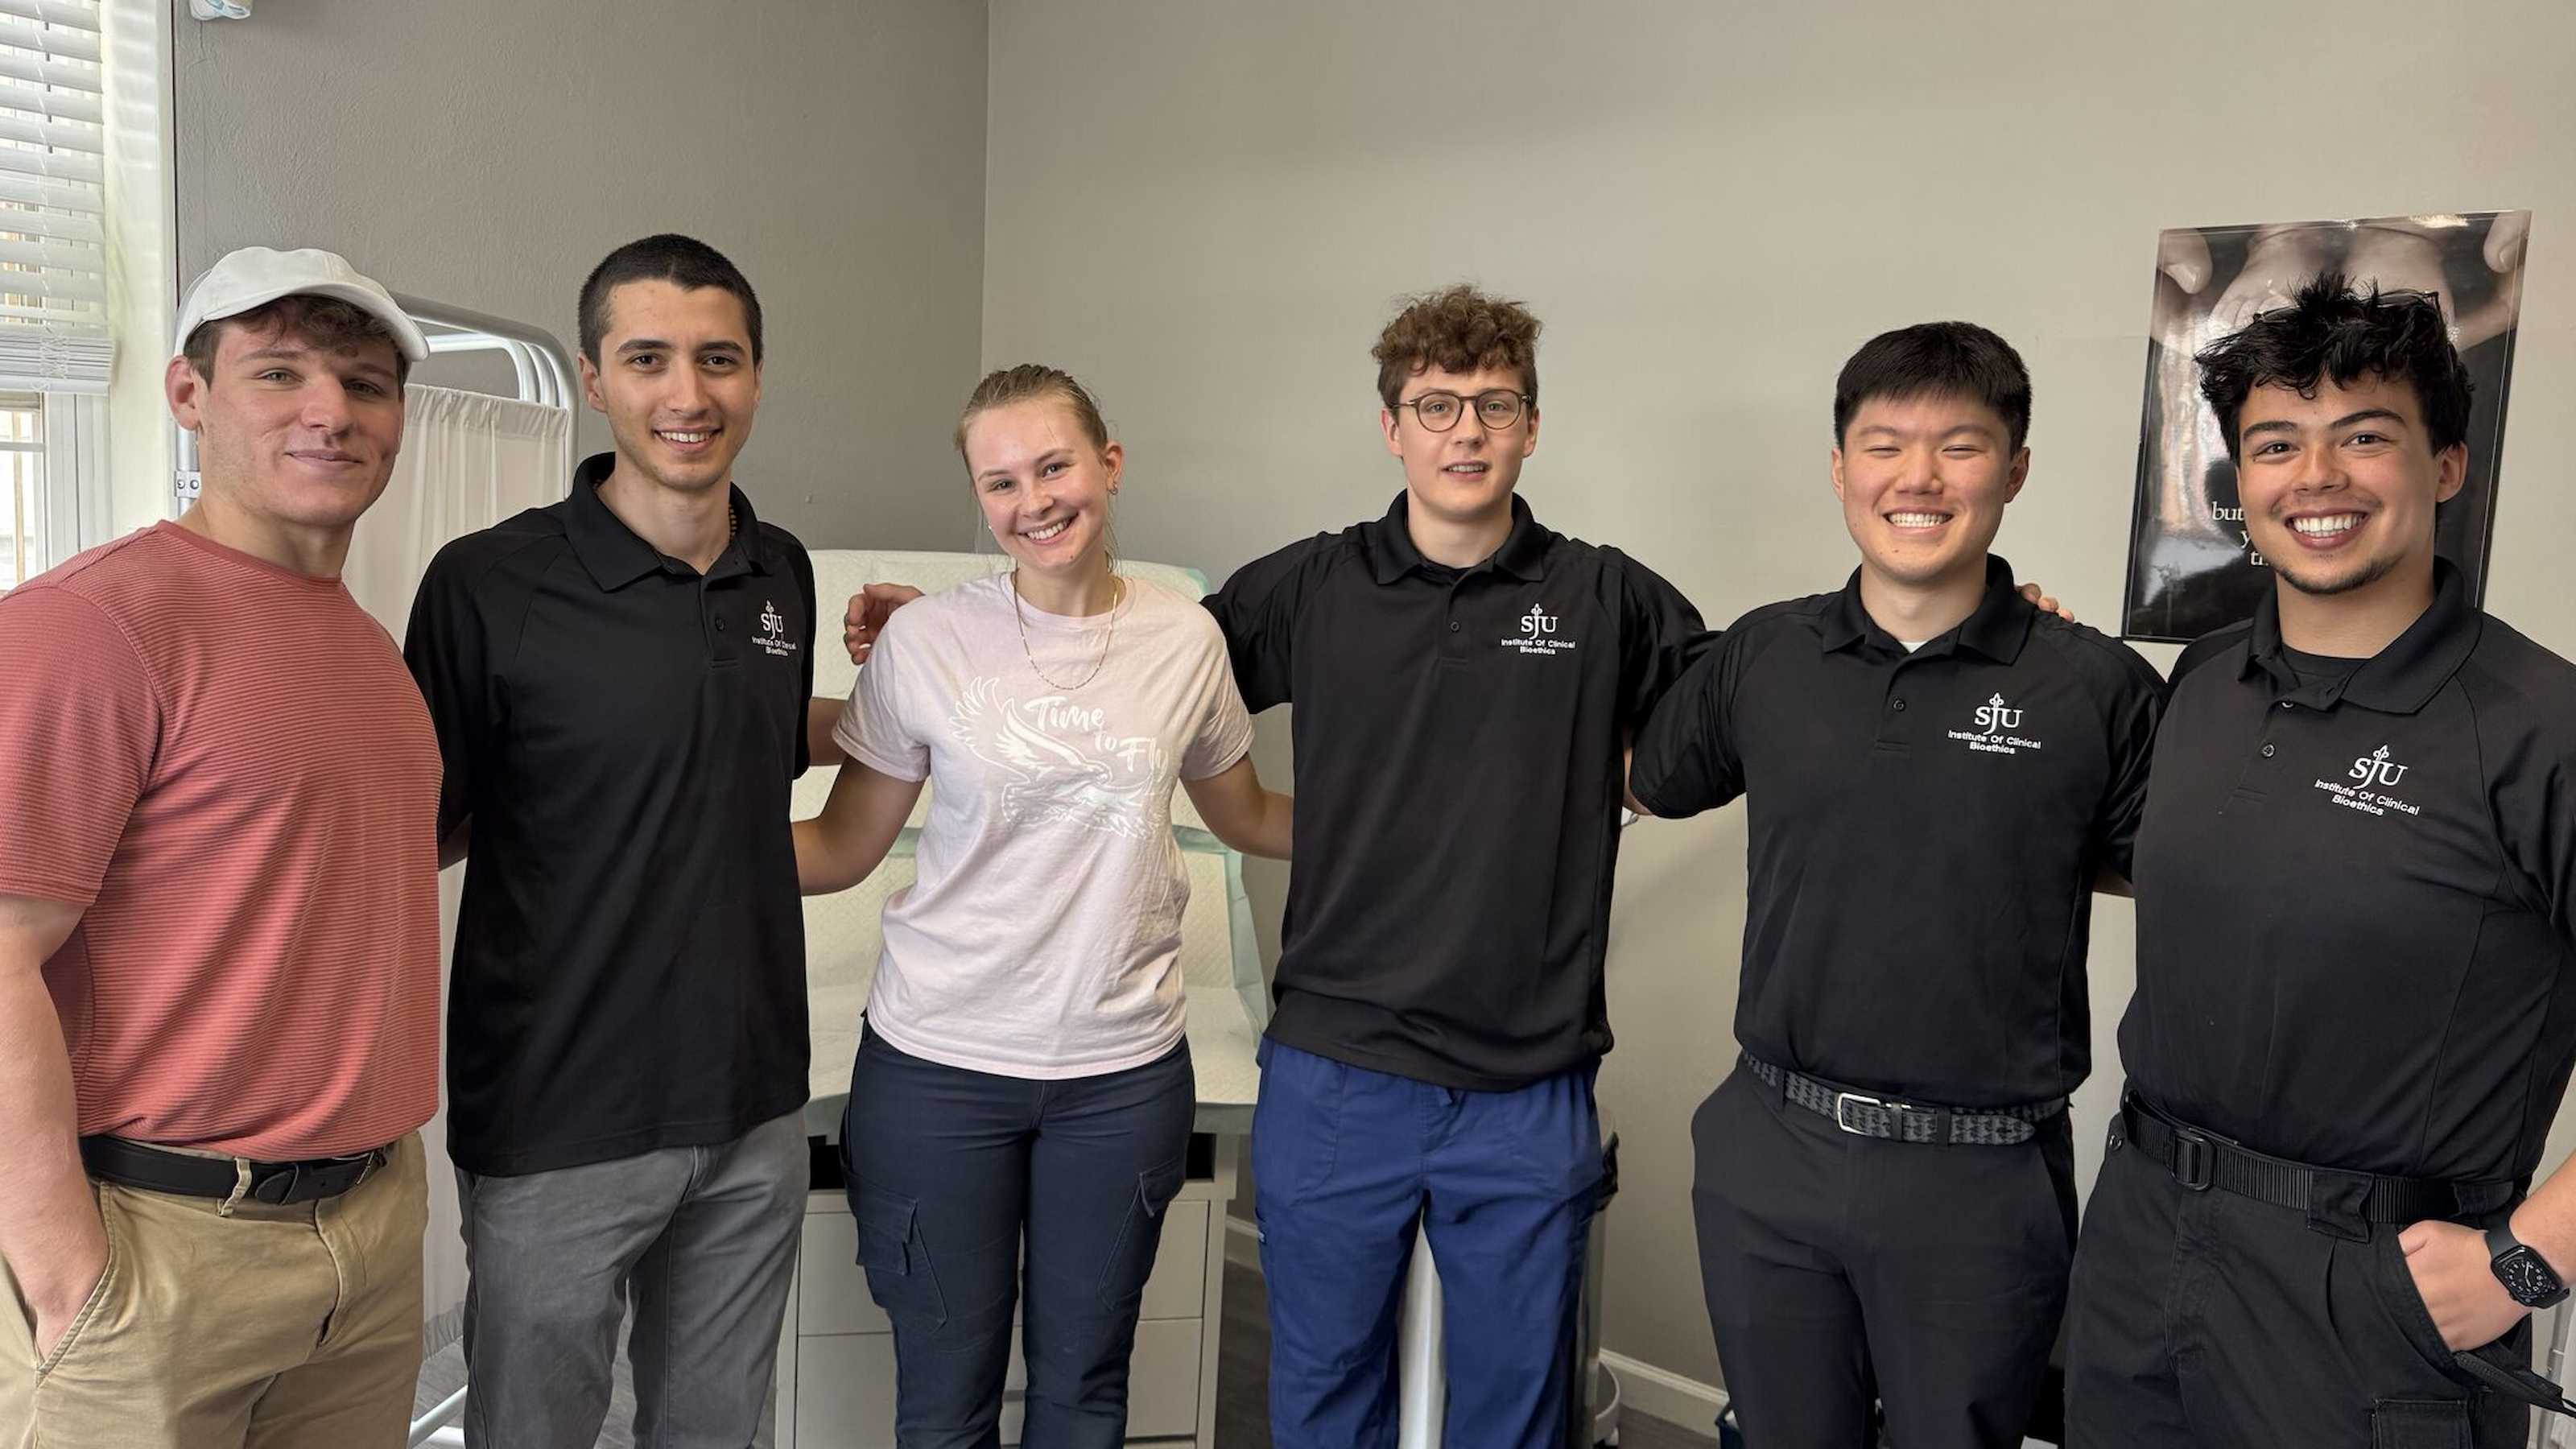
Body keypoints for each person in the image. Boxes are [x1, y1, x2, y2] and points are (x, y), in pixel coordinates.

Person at [1629, 322, 2165, 1449]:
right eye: (1884, 446)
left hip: (1978, 1174)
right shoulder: (1765, 656)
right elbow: (1645, 778)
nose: (1918, 478)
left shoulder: (2094, 686)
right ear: (1840, 469)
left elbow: (2159, 866)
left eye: (1960, 447)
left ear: (2014, 469)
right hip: (1770, 1143)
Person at [2065, 273, 2576, 1447]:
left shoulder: (2541, 726)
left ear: (2447, 465)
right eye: (2276, 444)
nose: (2317, 476)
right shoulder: (2203, 681)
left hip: (2373, 1289)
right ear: (2242, 482)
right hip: (2141, 1232)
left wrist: (2531, 1257)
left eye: (2365, 437)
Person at [1203, 285, 1706, 1449]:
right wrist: (948, 627)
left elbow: (1747, 711)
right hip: (1337, 1071)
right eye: (1437, 405)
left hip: (1526, 1082)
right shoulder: (1313, 587)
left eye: (1496, 405)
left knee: (1516, 1413)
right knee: (1325, 1396)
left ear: (1532, 426)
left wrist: (1981, 628)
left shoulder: (1604, 596)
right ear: (1392, 426)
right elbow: (1135, 670)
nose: (1467, 431)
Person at [795, 363, 1290, 1447]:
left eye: (1055, 467)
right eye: (1002, 482)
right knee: (944, 1403)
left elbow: (1249, 815)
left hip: (1121, 1076)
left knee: (1084, 1392)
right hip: (936, 1069)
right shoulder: (928, 641)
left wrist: (1422, 827)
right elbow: (839, 846)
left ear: (1108, 465)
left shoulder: (1187, 641)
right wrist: (650, 848)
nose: (1035, 501)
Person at [0, 247, 438, 1447]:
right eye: (278, 373)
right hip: (156, 1243)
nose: (329, 412)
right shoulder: (92, 625)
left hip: (369, 1234)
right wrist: (66, 1279)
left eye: (364, 383)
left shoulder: (369, 652)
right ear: (189, 395)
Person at [404, 234, 828, 1448]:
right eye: (648, 359)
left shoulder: (781, 574)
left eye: (718, 359)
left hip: (751, 1107)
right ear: (594, 379)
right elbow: (424, 831)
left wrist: (922, 683)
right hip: (558, 1120)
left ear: (757, 377)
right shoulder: (487, 584)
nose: (687, 393)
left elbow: (730, 776)